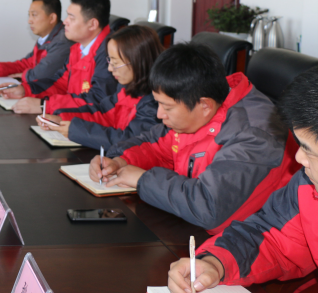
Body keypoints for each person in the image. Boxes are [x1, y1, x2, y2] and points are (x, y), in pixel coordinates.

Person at [89, 42, 299, 235]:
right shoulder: (201, 98)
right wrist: (120, 160)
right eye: (158, 104)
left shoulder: (254, 135)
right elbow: (156, 144)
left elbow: (208, 206)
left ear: (205, 105)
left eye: (167, 107)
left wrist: (142, 179)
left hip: (251, 242)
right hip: (195, 227)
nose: (159, 115)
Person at [167, 68, 318, 292]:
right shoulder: (308, 184)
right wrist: (216, 263)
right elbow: (273, 237)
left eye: (309, 151)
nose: (298, 158)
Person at [35, 25, 163, 150]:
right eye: (109, 61)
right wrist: (62, 118)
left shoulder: (156, 101)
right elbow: (103, 113)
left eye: (115, 63)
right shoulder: (126, 86)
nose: (110, 69)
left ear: (138, 61)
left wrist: (75, 130)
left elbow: (130, 141)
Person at [0, 0, 117, 114]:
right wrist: (26, 90)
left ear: (92, 24)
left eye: (71, 17)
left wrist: (44, 106)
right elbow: (60, 83)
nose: (65, 21)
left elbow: (98, 100)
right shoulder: (77, 48)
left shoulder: (110, 53)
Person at [0, 0, 72, 95]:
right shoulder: (45, 38)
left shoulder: (62, 41)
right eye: (29, 15)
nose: (29, 21)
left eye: (34, 15)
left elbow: (41, 75)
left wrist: (22, 76)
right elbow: (26, 63)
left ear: (52, 18)